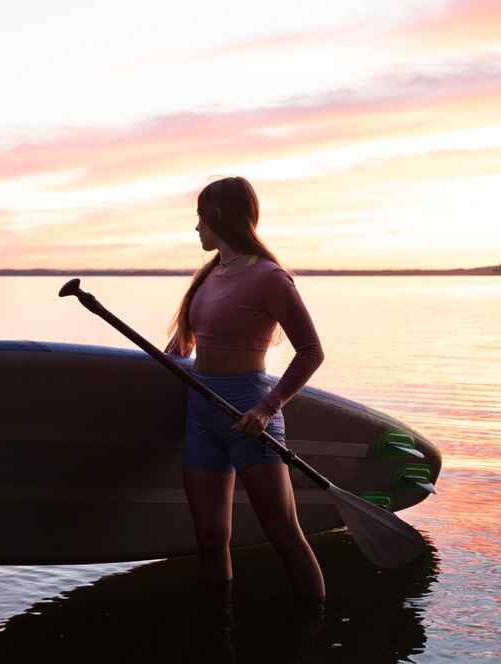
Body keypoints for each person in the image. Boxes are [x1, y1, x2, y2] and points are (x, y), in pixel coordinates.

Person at [165, 176, 326, 600]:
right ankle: (216, 631)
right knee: (209, 538)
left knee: (284, 536)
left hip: (247, 415)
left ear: (218, 216)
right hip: (201, 415)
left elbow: (311, 351)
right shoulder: (209, 274)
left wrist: (267, 408)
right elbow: (185, 343)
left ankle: (312, 629)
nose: (196, 228)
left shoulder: (270, 277)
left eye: (200, 218)